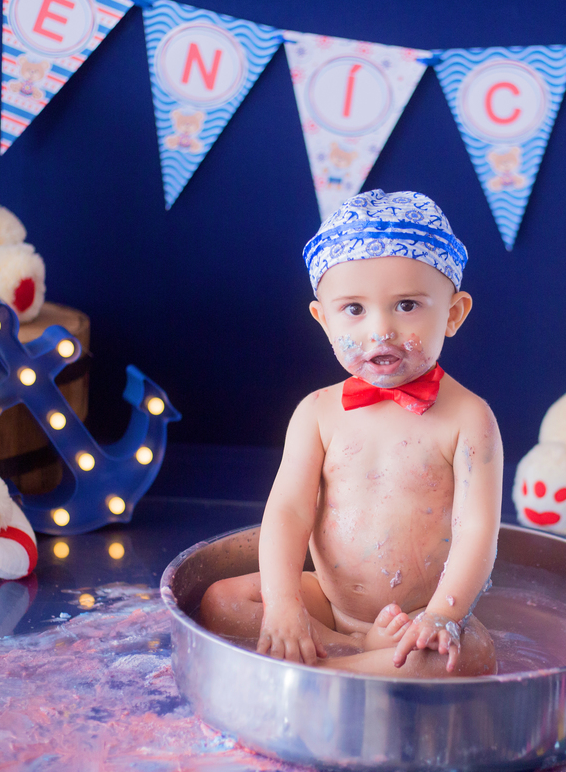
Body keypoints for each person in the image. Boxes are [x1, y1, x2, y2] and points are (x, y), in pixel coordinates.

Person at [199, 190, 502, 677]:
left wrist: (443, 615)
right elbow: (289, 512)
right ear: (323, 319)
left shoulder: (470, 418)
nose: (380, 330)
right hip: (330, 607)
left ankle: (331, 667)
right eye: (354, 310)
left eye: (406, 305)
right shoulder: (317, 412)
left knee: (468, 654)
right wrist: (284, 606)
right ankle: (349, 654)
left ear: (453, 313)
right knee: (223, 601)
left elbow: (477, 532)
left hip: (418, 618)